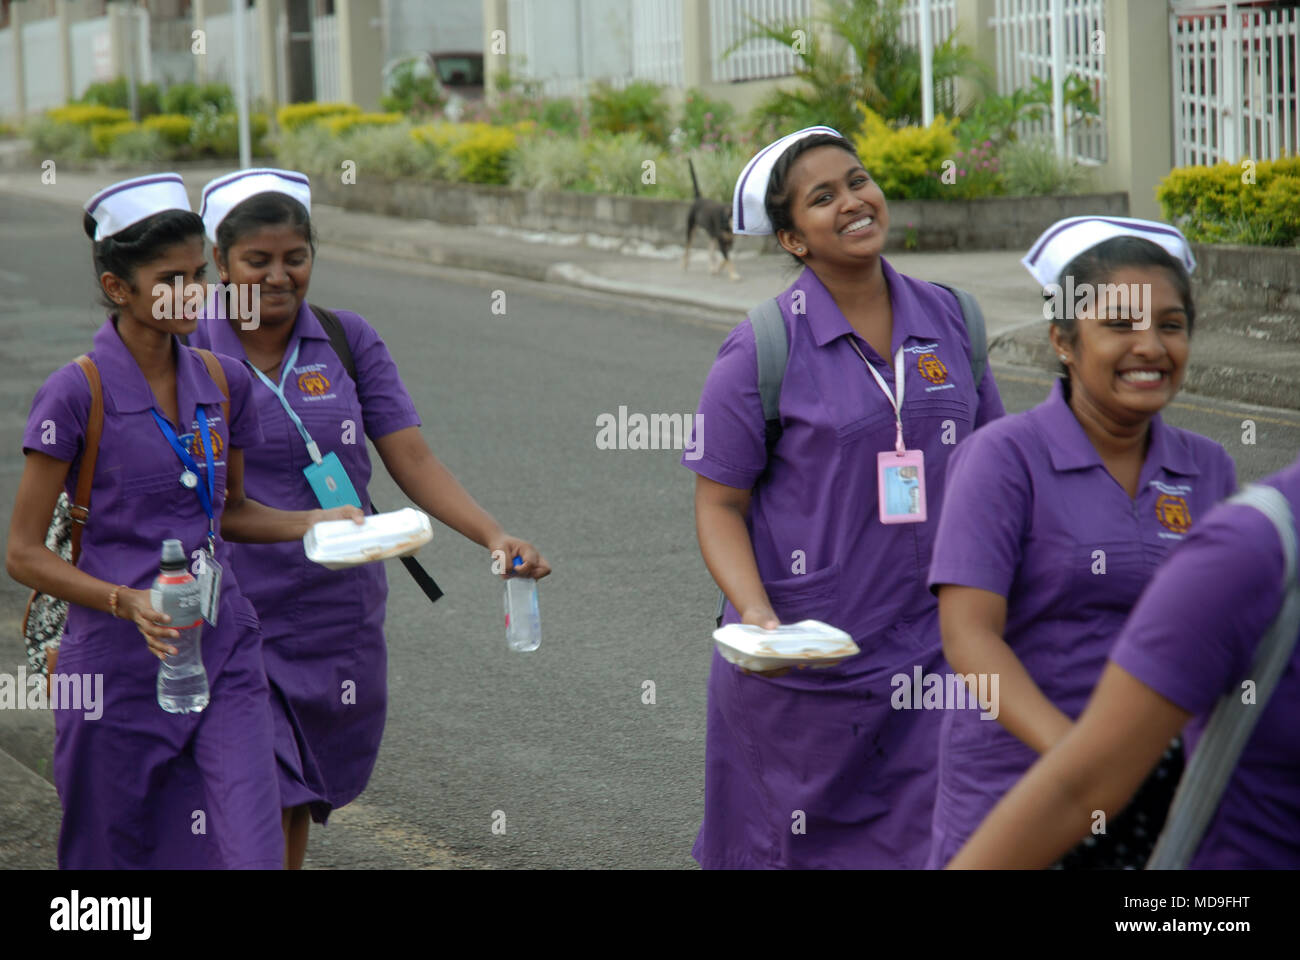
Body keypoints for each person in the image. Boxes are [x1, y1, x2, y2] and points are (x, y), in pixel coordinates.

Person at [191, 168, 551, 869]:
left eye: (295, 258)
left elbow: (411, 458)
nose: (278, 276)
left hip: (336, 613)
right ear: (218, 262)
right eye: (256, 261)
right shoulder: (189, 350)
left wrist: (493, 534)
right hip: (233, 610)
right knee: (261, 780)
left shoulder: (346, 338)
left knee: (299, 790)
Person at [5, 173, 363, 869]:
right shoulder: (76, 392)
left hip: (222, 652)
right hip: (111, 672)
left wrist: (318, 521)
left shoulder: (219, 381)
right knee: (112, 863)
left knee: (250, 851)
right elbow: (21, 554)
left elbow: (229, 511)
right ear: (119, 289)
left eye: (200, 275)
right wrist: (125, 600)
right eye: (173, 279)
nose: (195, 294)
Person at [683, 127, 1005, 868]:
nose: (854, 202)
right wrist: (759, 615)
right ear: (794, 239)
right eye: (823, 198)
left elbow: (997, 474)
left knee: (936, 841)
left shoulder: (956, 320)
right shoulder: (760, 348)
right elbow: (718, 505)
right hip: (808, 668)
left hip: (936, 655)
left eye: (858, 181)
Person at [926, 217, 1238, 869]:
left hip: (1165, 801)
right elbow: (969, 638)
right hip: (1020, 799)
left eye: (1171, 325)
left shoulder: (1209, 469)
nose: (1150, 346)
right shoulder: (1002, 458)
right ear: (1063, 341)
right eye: (1120, 325)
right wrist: (1083, 766)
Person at [949, 452, 1300, 869]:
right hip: (1022, 783)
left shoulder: (1206, 465)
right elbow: (1081, 785)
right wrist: (1092, 750)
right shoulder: (1254, 547)